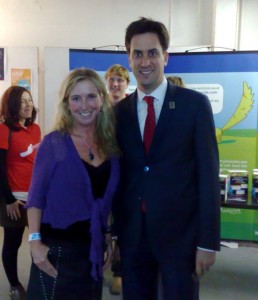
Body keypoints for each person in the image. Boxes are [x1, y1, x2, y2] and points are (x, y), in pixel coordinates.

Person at [114, 17, 221, 300]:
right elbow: (119, 176)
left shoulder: (194, 106)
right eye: (137, 54)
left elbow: (208, 176)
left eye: (153, 53)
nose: (145, 61)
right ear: (129, 58)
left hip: (181, 237)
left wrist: (208, 242)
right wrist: (113, 234)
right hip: (134, 236)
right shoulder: (118, 114)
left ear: (166, 57)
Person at [25, 68, 120, 300]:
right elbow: (35, 197)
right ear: (67, 104)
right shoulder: (54, 143)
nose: (84, 105)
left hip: (92, 250)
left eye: (91, 96)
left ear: (101, 98)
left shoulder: (111, 146)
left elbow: (105, 201)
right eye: (76, 98)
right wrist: (35, 243)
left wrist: (107, 238)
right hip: (56, 251)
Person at [0, 85, 41, 300]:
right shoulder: (3, 129)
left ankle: (37, 283)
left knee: (38, 240)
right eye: (23, 101)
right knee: (13, 242)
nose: (28, 104)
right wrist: (8, 200)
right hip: (13, 199)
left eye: (30, 100)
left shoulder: (35, 129)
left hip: (35, 198)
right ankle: (15, 286)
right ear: (12, 105)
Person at [104, 64, 130, 295]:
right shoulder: (99, 108)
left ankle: (119, 272)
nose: (115, 84)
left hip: (125, 174)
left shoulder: (133, 108)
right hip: (102, 172)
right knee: (102, 223)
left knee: (121, 225)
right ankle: (99, 263)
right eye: (112, 80)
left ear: (127, 84)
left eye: (120, 80)